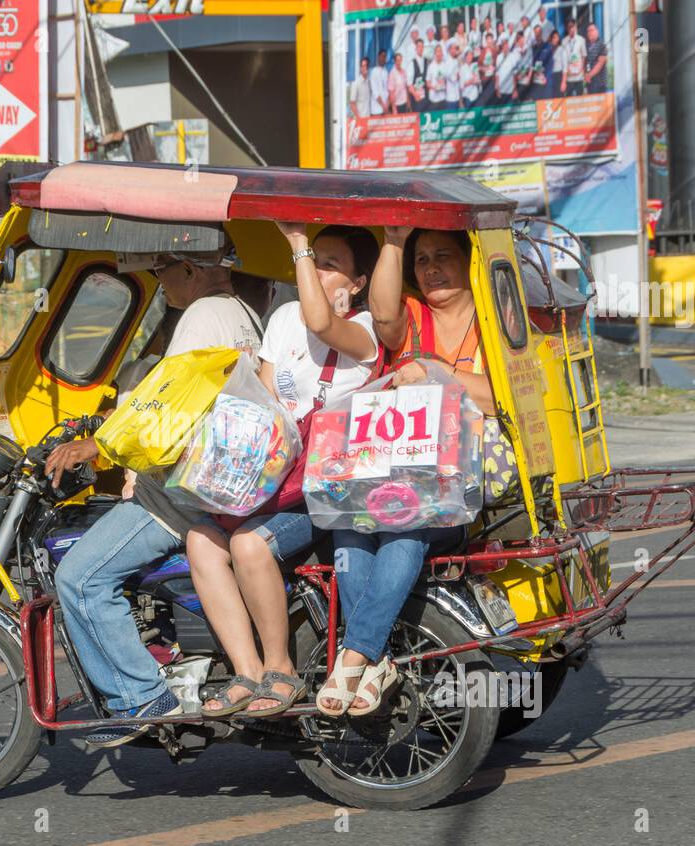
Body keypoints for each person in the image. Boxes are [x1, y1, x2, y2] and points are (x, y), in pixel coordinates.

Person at [47, 250, 261, 748]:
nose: (158, 282)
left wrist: (97, 447)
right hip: (226, 483)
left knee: (80, 579)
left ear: (189, 269)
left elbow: (167, 405)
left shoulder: (202, 315)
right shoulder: (244, 313)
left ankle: (140, 697)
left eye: (162, 271)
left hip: (180, 494)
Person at [188, 224, 380, 719]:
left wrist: (297, 243)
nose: (315, 271)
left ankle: (282, 669)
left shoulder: (366, 330)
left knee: (249, 544)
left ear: (358, 283)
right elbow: (267, 399)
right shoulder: (284, 317)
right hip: (279, 474)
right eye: (313, 261)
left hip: (328, 484)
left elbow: (321, 322)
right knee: (200, 541)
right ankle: (247, 670)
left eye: (329, 263)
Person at [315, 227, 496, 717]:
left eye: (443, 256)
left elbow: (499, 396)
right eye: (421, 260)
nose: (432, 267)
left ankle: (354, 656)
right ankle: (374, 663)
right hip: (388, 482)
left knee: (404, 533)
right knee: (348, 526)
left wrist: (437, 372)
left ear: (468, 263)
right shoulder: (413, 317)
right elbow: (386, 314)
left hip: (459, 490)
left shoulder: (493, 326)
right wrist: (393, 240)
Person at [562, 19, 587, 97]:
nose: (571, 29)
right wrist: (564, 80)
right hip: (569, 77)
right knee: (569, 101)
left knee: (580, 100)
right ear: (567, 28)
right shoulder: (564, 41)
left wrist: (582, 70)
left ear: (575, 27)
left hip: (579, 76)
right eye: (569, 27)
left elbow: (584, 56)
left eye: (573, 27)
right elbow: (564, 61)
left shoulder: (581, 40)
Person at [585, 22, 608, 95]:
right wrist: (585, 74)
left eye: (592, 30)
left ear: (597, 31)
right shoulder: (586, 45)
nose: (590, 33)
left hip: (600, 83)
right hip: (589, 83)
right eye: (588, 31)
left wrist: (589, 75)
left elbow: (600, 64)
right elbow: (584, 61)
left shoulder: (602, 45)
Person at [408, 39, 430, 112]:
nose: (420, 48)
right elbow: (409, 84)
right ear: (416, 48)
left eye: (422, 46)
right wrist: (415, 95)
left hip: (426, 97)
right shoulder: (412, 63)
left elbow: (427, 79)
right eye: (419, 46)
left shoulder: (426, 61)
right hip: (416, 98)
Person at [426, 45, 449, 112]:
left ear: (442, 53)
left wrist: (444, 85)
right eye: (437, 51)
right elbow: (427, 83)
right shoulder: (431, 66)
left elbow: (446, 80)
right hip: (434, 99)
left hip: (443, 98)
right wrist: (434, 87)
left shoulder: (445, 65)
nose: (439, 53)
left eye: (440, 51)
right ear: (435, 53)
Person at [370, 49, 390, 116]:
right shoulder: (374, 72)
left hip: (385, 109)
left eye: (385, 57)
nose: (383, 58)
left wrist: (387, 104)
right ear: (378, 57)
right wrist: (383, 105)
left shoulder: (386, 71)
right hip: (376, 110)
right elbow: (375, 92)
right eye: (382, 56)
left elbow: (387, 90)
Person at [550, 29, 565, 99]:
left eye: (556, 37)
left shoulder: (562, 49)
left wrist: (563, 82)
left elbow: (565, 66)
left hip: (559, 75)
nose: (554, 39)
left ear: (559, 39)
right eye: (553, 37)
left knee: (559, 97)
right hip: (551, 76)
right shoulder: (549, 50)